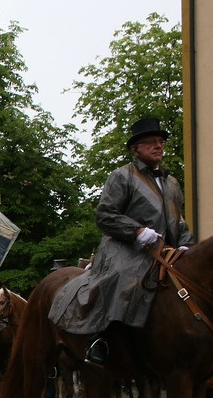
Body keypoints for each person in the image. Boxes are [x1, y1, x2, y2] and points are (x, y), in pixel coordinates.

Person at [49, 117, 195, 365]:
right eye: (151, 142)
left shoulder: (172, 182)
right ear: (135, 149)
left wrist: (186, 243)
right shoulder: (122, 176)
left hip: (164, 249)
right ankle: (101, 338)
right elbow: (105, 215)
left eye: (160, 142)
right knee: (125, 275)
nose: (158, 146)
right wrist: (137, 231)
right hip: (125, 247)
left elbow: (178, 220)